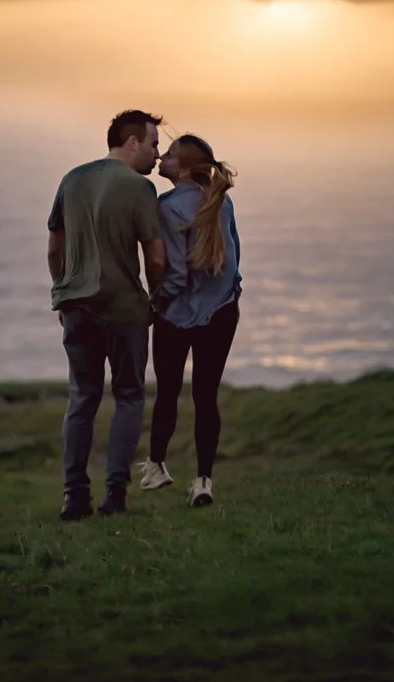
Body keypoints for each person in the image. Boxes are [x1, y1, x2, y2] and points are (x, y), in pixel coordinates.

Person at [47, 109, 167, 520]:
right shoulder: (139, 188)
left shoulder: (72, 179)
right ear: (133, 142)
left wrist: (62, 292)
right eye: (153, 144)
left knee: (81, 398)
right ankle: (115, 494)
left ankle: (73, 497)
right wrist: (157, 298)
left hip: (76, 305)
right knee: (129, 396)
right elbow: (154, 255)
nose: (157, 153)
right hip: (124, 308)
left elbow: (54, 248)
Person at [139, 134, 242, 508]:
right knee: (206, 396)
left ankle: (156, 467)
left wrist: (152, 305)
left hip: (178, 315)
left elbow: (177, 274)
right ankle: (203, 482)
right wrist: (231, 294)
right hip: (222, 311)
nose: (160, 159)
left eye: (166, 155)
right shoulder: (221, 201)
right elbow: (234, 259)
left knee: (167, 393)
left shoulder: (167, 207)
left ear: (181, 169)